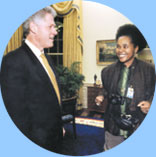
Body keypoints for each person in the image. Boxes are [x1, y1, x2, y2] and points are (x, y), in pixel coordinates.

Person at [0, 6, 65, 153]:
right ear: (34, 28)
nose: (55, 32)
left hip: (55, 137)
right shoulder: (12, 62)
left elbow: (51, 100)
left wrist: (58, 127)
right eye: (51, 26)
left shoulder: (47, 58)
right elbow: (17, 117)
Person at [95, 24, 155, 150]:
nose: (120, 50)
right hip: (113, 127)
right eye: (118, 46)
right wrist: (101, 95)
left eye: (125, 46)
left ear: (136, 48)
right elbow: (106, 89)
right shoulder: (107, 71)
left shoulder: (149, 70)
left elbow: (152, 93)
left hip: (138, 126)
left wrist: (150, 103)